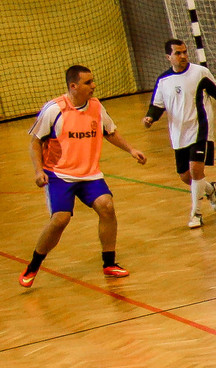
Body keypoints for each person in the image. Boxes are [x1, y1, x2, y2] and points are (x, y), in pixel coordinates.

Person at [20, 64, 148, 288]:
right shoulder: (54, 109)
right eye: (88, 82)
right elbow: (35, 142)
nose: (93, 86)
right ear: (73, 86)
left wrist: (131, 149)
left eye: (92, 81)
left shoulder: (96, 107)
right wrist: (39, 171)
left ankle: (109, 263)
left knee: (107, 206)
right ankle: (34, 265)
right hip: (59, 174)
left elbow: (110, 132)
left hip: (90, 174)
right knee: (60, 220)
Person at [144, 38, 216, 229]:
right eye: (178, 53)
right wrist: (150, 118)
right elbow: (157, 106)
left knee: (196, 171)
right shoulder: (163, 80)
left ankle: (196, 214)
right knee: (186, 177)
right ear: (168, 57)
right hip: (179, 134)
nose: (183, 56)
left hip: (200, 130)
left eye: (184, 52)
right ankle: (210, 189)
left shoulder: (200, 73)